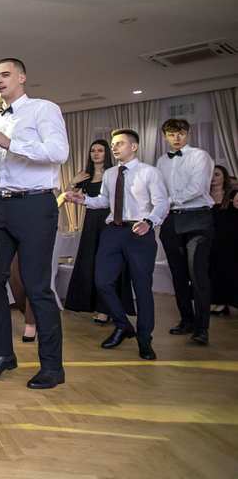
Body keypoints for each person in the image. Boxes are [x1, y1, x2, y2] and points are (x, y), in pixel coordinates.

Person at [0, 58, 67, 389]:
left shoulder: (44, 109)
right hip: (0, 206)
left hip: (35, 205)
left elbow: (58, 152)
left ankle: (52, 367)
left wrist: (10, 142)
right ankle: (4, 355)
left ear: (22, 77)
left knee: (36, 286)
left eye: (5, 74)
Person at [65, 129, 169, 360]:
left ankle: (145, 339)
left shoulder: (149, 172)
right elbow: (104, 201)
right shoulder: (111, 174)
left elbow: (162, 203)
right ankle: (123, 324)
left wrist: (149, 222)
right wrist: (83, 199)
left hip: (139, 231)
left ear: (133, 147)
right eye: (113, 144)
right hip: (112, 231)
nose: (114, 147)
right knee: (102, 281)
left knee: (142, 288)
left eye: (119, 143)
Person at [156, 119, 215, 345]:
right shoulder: (162, 161)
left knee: (197, 274)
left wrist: (168, 201)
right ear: (165, 137)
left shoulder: (200, 156)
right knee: (178, 275)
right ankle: (186, 320)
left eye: (180, 133)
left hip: (197, 218)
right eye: (171, 134)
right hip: (171, 221)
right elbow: (159, 189)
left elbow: (198, 188)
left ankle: (202, 328)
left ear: (187, 133)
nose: (176, 138)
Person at [63, 139, 134, 322]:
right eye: (93, 150)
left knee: (108, 265)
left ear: (106, 153)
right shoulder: (85, 175)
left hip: (110, 222)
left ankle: (105, 309)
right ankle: (93, 305)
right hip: (91, 222)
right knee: (90, 262)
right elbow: (67, 196)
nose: (95, 153)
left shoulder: (114, 173)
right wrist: (72, 182)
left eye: (100, 150)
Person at [209, 166, 237, 316]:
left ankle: (227, 302)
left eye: (217, 174)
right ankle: (219, 303)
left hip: (230, 240)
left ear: (224, 177)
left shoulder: (232, 195)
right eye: (211, 175)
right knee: (214, 270)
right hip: (212, 239)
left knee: (230, 270)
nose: (214, 178)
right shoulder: (204, 196)